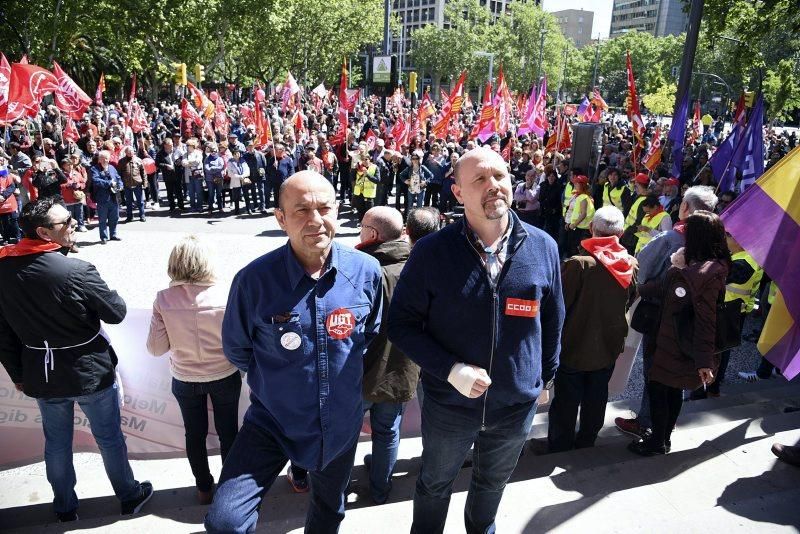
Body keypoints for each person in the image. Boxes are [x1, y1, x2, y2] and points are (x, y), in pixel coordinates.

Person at [388, 147, 565, 534]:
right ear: (457, 193)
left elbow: (553, 322)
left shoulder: (543, 247)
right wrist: (450, 370)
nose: (493, 187)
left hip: (515, 407)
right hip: (449, 406)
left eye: (499, 176)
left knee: (491, 485)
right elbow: (400, 324)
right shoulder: (432, 252)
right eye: (480, 180)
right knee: (434, 485)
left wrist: (542, 380)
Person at [204, 171, 382, 533]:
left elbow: (371, 340)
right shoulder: (253, 281)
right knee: (225, 523)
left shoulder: (366, 272)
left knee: (329, 512)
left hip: (339, 425)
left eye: (324, 208)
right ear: (281, 219)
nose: (315, 220)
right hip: (273, 421)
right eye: (301, 210)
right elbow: (238, 350)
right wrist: (284, 382)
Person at [0, 198, 153, 521]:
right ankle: (128, 495)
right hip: (88, 370)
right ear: (43, 232)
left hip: (41, 372)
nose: (74, 224)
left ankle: (65, 507)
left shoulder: (4, 267)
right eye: (65, 223)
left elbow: (3, 333)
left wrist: (17, 372)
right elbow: (116, 312)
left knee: (56, 444)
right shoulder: (75, 269)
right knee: (108, 438)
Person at [615, 186, 718, 439]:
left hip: (661, 314)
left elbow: (642, 269)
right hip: (692, 317)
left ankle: (648, 422)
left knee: (655, 369)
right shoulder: (715, 242)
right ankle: (667, 421)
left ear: (684, 208)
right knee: (680, 370)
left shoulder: (672, 238)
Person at [146, 235, 242, 505]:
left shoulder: (163, 299)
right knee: (229, 433)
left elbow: (155, 348)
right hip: (224, 373)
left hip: (185, 377)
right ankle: (231, 488)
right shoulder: (225, 294)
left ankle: (203, 488)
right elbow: (239, 342)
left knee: (194, 434)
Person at [629, 211, 730, 456]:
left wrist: (705, 361)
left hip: (677, 343)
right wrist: (634, 289)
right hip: (674, 341)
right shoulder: (701, 266)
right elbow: (663, 287)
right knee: (671, 390)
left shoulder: (703, 274)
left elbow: (707, 319)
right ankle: (663, 439)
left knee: (660, 390)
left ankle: (657, 442)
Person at [547, 206, 637, 452]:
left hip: (575, 344)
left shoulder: (579, 264)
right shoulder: (630, 262)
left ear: (591, 229)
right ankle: (587, 441)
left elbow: (558, 306)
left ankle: (560, 445)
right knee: (597, 396)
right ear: (621, 233)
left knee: (566, 400)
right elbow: (630, 298)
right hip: (608, 345)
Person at [356, 206, 418, 504]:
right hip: (401, 369)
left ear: (373, 234)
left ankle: (334, 494)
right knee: (388, 431)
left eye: (361, 226)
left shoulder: (363, 269)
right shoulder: (420, 267)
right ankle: (380, 489)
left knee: (344, 436)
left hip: (360, 373)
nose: (358, 231)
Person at [690, 232, 763, 399]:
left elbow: (716, 278)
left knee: (715, 352)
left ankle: (703, 390)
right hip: (734, 311)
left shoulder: (744, 263)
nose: (724, 240)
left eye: (728, 237)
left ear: (739, 241)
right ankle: (713, 386)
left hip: (728, 312)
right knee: (722, 350)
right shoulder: (746, 256)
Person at [90, 150, 123, 244]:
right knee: (103, 219)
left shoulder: (112, 167)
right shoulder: (94, 169)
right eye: (103, 158)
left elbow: (118, 178)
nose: (105, 160)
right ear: (99, 159)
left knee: (115, 217)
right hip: (102, 198)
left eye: (107, 158)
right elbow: (95, 180)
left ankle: (113, 235)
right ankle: (104, 237)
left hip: (114, 197)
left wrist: (120, 185)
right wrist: (109, 183)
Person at [563, 175, 595, 257]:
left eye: (577, 183)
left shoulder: (583, 197)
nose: (575, 185)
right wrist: (570, 223)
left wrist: (573, 225)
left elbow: (583, 214)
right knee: (572, 248)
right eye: (575, 183)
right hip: (578, 227)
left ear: (583, 185)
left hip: (581, 229)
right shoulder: (580, 196)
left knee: (575, 250)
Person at [118, 145, 147, 222]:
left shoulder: (138, 160)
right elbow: (119, 174)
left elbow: (143, 172)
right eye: (128, 151)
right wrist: (120, 184)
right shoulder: (121, 161)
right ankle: (129, 216)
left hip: (137, 184)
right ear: (125, 152)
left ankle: (142, 215)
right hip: (127, 185)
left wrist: (145, 183)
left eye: (132, 151)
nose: (131, 153)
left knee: (140, 201)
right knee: (128, 202)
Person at [156, 138, 184, 214]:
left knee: (179, 191)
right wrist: (166, 166)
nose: (172, 146)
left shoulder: (177, 150)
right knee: (170, 192)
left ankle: (181, 205)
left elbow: (182, 158)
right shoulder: (160, 153)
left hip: (177, 174)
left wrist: (179, 161)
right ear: (165, 145)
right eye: (169, 145)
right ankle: (172, 206)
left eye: (172, 144)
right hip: (168, 175)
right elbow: (157, 163)